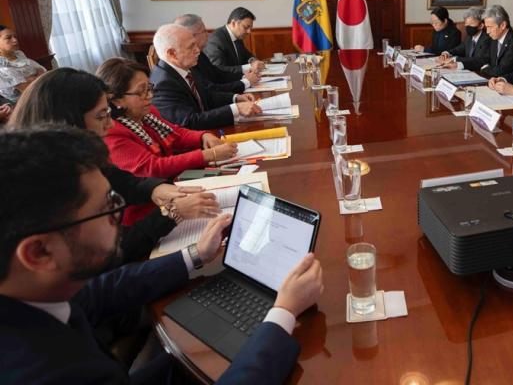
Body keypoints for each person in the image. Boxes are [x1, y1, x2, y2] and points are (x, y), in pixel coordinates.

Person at [0, 127, 324, 384]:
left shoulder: (30, 290)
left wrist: (196, 253)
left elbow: (100, 292)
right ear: (40, 252)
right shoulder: (45, 372)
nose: (120, 213)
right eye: (106, 208)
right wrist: (283, 312)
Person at [8, 67, 221, 261]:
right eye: (102, 116)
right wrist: (171, 213)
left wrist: (156, 188)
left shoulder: (78, 154)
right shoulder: (45, 186)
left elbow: (121, 179)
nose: (109, 124)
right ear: (67, 122)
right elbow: (112, 251)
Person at [97, 58, 239, 225]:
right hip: (150, 213)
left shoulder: (147, 113)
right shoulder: (112, 132)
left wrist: (203, 136)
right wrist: (208, 155)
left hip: (174, 188)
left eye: (149, 88)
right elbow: (152, 168)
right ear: (116, 100)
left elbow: (176, 133)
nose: (149, 96)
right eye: (141, 91)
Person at [149, 23, 262, 130]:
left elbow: (206, 96)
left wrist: (235, 98)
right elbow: (190, 121)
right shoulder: (163, 84)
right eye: (191, 47)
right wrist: (236, 109)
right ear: (172, 54)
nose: (198, 50)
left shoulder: (184, 66)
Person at [175, 13, 260, 94]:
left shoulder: (199, 53)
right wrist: (245, 82)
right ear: (191, 35)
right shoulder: (187, 59)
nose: (208, 35)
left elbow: (217, 73)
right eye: (204, 31)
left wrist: (243, 76)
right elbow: (210, 89)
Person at [204, 7, 266, 75]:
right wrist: (249, 67)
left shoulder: (238, 36)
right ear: (233, 23)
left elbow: (246, 55)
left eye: (250, 28)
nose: (249, 32)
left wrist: (253, 61)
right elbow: (218, 69)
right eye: (246, 27)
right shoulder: (216, 40)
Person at [0, 25, 46, 110]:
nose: (15, 40)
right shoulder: (2, 67)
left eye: (15, 36)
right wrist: (36, 75)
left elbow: (41, 70)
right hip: (28, 105)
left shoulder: (19, 54)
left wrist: (32, 78)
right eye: (8, 38)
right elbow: (29, 89)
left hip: (43, 91)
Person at [477, 5, 513, 78]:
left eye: (490, 27)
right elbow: (484, 59)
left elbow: (502, 71)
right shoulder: (494, 38)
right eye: (486, 27)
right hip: (497, 81)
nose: (487, 32)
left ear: (503, 25)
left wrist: (485, 69)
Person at [437, 6, 491, 72]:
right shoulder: (470, 36)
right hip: (467, 70)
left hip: (479, 71)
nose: (467, 26)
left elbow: (478, 60)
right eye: (466, 23)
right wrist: (447, 53)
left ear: (481, 26)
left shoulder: (487, 39)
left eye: (471, 24)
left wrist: (455, 59)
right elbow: (460, 49)